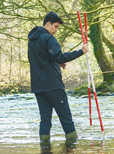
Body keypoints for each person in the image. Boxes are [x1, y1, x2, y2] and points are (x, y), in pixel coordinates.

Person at [27, 12, 88, 142]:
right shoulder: (49, 38)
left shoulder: (32, 40)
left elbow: (41, 58)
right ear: (48, 24)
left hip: (38, 86)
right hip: (53, 85)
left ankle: (45, 153)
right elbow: (59, 56)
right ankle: (72, 148)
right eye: (55, 27)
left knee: (45, 120)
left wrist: (57, 62)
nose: (56, 30)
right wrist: (81, 52)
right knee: (66, 117)